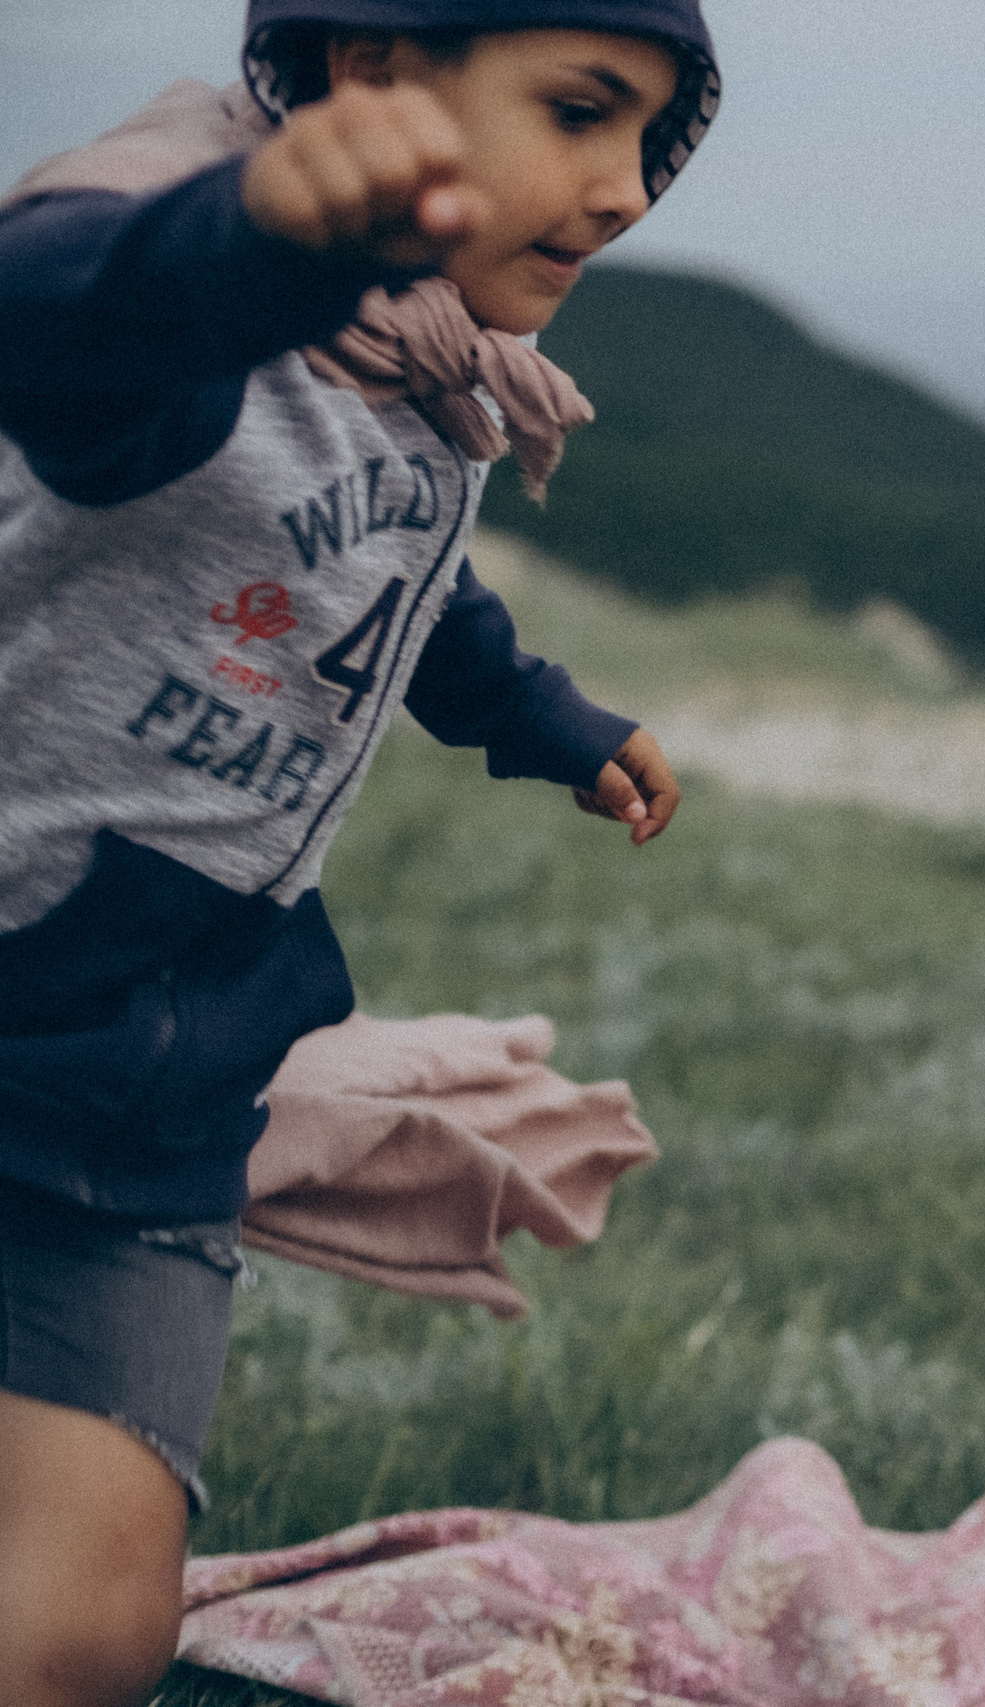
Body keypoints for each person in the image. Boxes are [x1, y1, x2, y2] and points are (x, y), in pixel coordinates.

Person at [0, 5, 717, 1701]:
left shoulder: (426, 369)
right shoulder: (190, 312)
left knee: (93, 1638)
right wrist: (265, 243)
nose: (624, 190)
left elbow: (398, 587)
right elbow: (54, 308)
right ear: (374, 71)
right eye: (580, 110)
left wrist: (549, 717)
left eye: (651, 139)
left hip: (158, 1092)